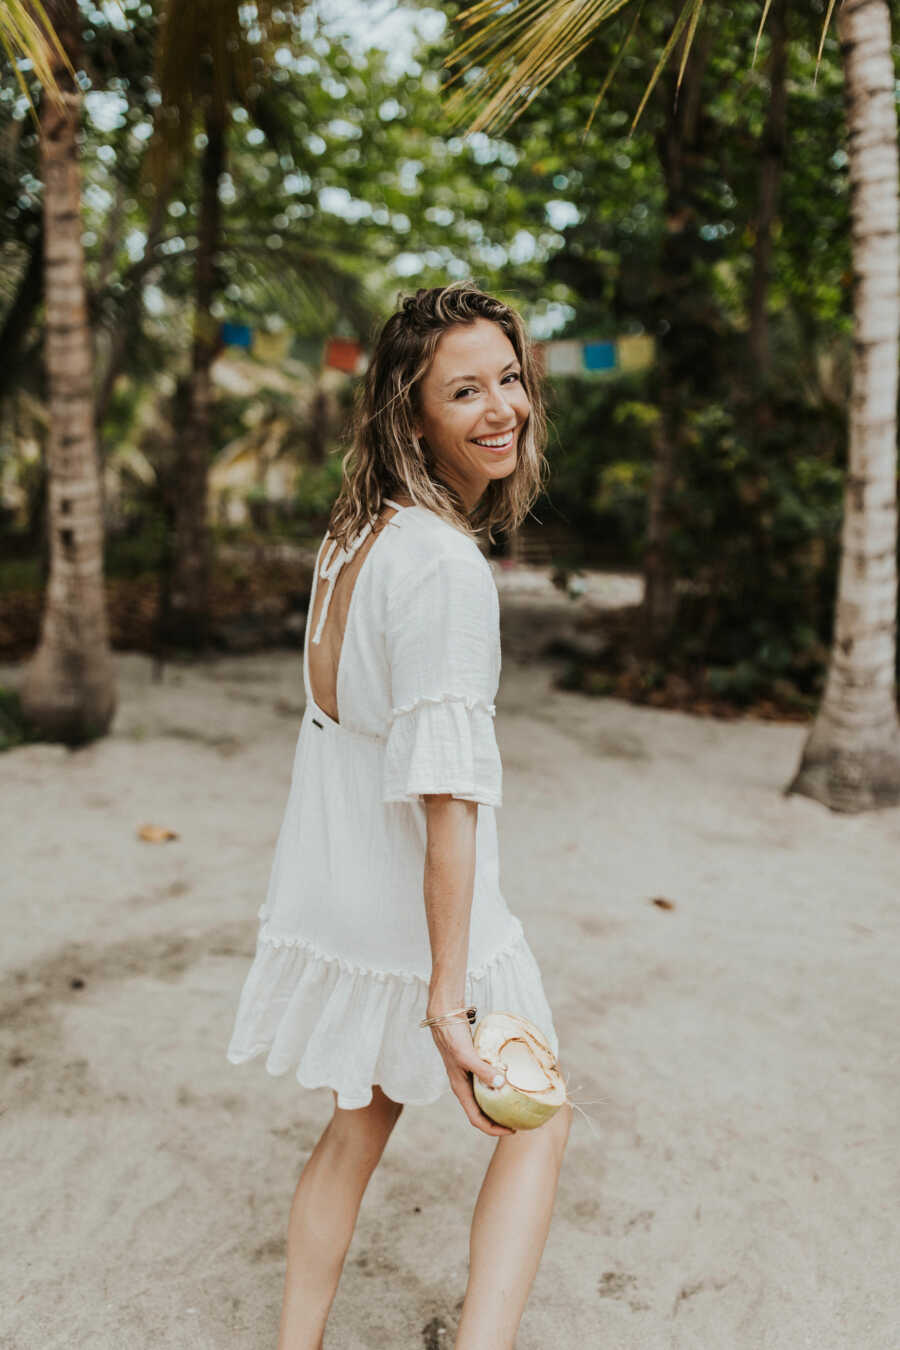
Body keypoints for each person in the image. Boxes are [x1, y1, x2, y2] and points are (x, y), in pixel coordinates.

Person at [226, 281, 572, 1350]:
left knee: (358, 1119)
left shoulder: (357, 536)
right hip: (414, 904)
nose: (500, 407)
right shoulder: (443, 569)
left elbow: (339, 725)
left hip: (343, 887)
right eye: (462, 390)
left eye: (508, 378)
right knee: (539, 1111)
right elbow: (447, 802)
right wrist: (448, 992)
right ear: (409, 413)